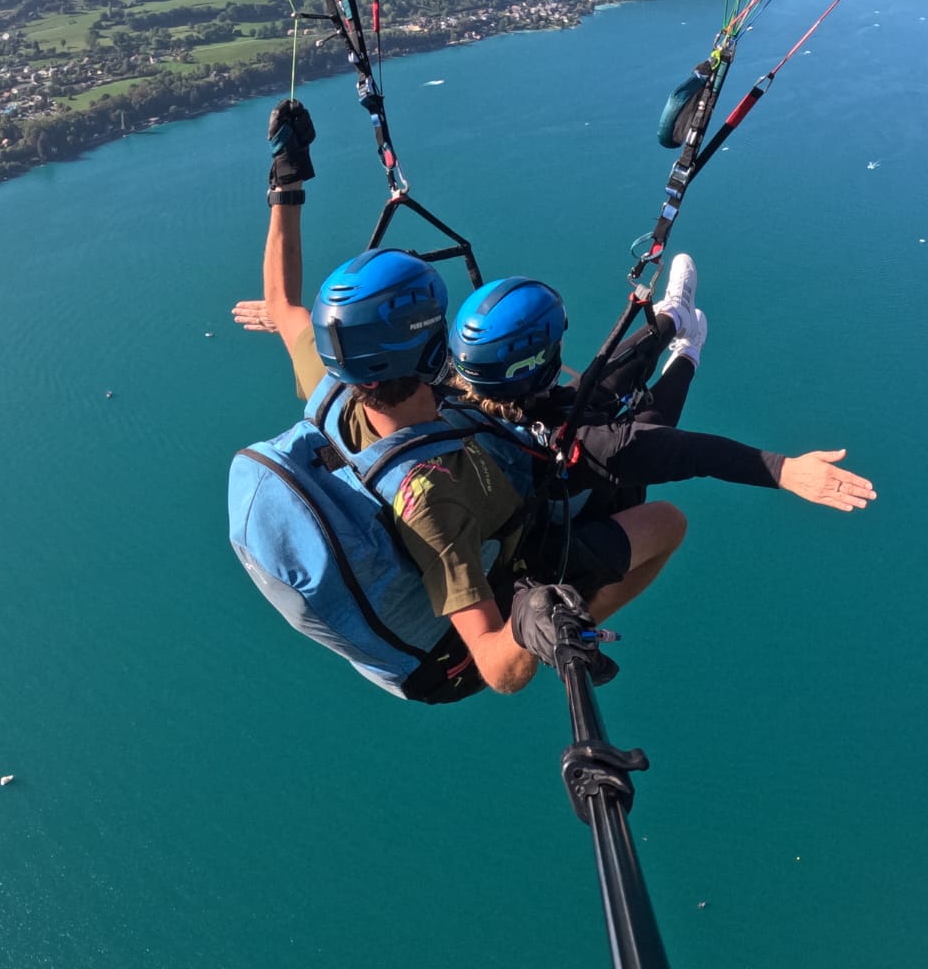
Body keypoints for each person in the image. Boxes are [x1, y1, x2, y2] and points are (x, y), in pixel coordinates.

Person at [234, 99, 645, 696]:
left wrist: (286, 178)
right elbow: (499, 671)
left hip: (434, 500)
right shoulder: (432, 501)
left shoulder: (332, 385)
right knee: (665, 521)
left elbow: (281, 300)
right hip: (452, 663)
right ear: (435, 359)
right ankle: (572, 628)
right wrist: (533, 627)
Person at [440, 258, 877, 607]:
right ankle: (688, 351)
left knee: (590, 394)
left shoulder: (458, 398)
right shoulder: (587, 447)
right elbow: (689, 453)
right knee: (641, 430)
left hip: (530, 468)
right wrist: (783, 470)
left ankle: (674, 316)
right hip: (567, 529)